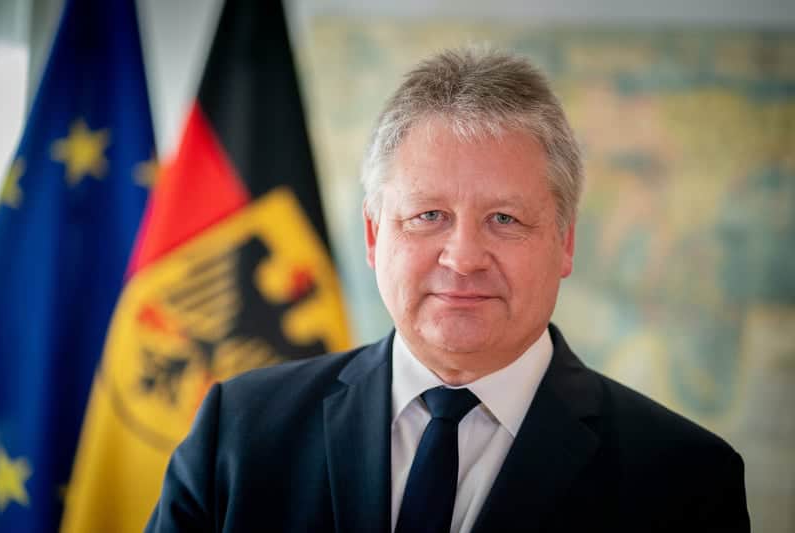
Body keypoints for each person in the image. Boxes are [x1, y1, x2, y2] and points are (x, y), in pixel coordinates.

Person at [145, 47, 750, 532]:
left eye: (505, 219)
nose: (462, 259)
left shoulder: (685, 480)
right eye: (428, 215)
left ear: (564, 242)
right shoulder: (238, 433)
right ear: (375, 236)